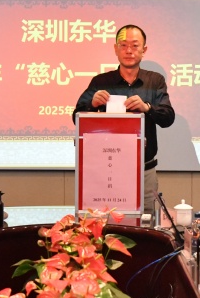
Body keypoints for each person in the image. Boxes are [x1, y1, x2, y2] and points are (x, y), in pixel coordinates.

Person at [72, 24, 175, 215]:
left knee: (145, 224)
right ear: (115, 49)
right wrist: (92, 104)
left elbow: (168, 117)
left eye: (135, 45)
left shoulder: (155, 81)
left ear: (144, 50)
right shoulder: (101, 82)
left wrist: (147, 107)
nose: (129, 50)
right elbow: (76, 117)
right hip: (105, 171)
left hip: (144, 171)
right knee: (105, 224)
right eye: (123, 45)